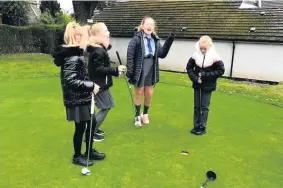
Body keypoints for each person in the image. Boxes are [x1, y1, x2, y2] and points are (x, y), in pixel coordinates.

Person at [52, 22, 106, 166]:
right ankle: (77, 156)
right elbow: (71, 81)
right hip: (76, 99)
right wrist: (91, 85)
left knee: (92, 123)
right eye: (84, 36)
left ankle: (89, 151)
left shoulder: (78, 53)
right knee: (80, 128)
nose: (87, 39)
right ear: (77, 38)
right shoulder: (72, 56)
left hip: (83, 96)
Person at [126, 16, 175, 126]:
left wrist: (169, 39)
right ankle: (137, 115)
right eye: (147, 24)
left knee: (149, 93)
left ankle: (145, 114)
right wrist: (130, 71)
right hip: (140, 67)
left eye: (152, 24)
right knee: (139, 92)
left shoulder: (155, 39)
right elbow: (130, 55)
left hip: (151, 67)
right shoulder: (136, 39)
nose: (150, 26)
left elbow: (162, 54)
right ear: (142, 26)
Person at [87, 22, 127, 141]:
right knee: (106, 106)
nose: (108, 33)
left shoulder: (99, 49)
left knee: (107, 105)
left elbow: (102, 67)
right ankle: (91, 132)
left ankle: (93, 128)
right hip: (99, 85)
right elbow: (99, 69)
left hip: (102, 84)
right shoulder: (98, 51)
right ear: (98, 35)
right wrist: (115, 70)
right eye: (105, 31)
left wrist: (116, 71)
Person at [186, 35, 225, 136]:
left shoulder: (215, 56)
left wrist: (205, 75)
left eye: (205, 48)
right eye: (201, 48)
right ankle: (196, 125)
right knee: (196, 106)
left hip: (208, 85)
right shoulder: (195, 55)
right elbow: (189, 68)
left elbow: (220, 71)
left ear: (209, 46)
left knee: (204, 107)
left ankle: (202, 127)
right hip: (197, 84)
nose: (202, 50)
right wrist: (195, 78)